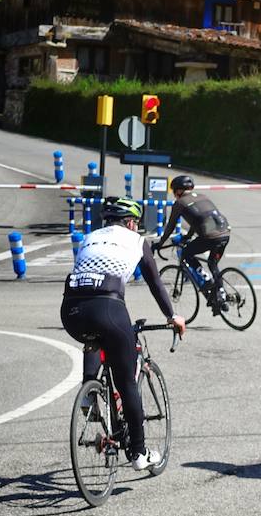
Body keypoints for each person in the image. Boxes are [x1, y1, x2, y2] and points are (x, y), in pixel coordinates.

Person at [61, 196, 187, 470]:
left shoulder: (88, 238)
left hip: (71, 310)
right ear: (131, 222)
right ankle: (139, 454)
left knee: (93, 337)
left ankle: (89, 389)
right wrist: (172, 316)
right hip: (107, 308)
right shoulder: (137, 241)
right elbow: (154, 282)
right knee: (126, 381)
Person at [156, 175, 231, 309]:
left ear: (179, 191)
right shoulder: (203, 196)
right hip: (225, 233)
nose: (174, 195)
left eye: (174, 192)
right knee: (213, 263)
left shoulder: (180, 203)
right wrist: (188, 236)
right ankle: (220, 293)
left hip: (210, 236)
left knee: (186, 253)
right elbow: (199, 219)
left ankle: (207, 280)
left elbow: (170, 226)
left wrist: (160, 244)